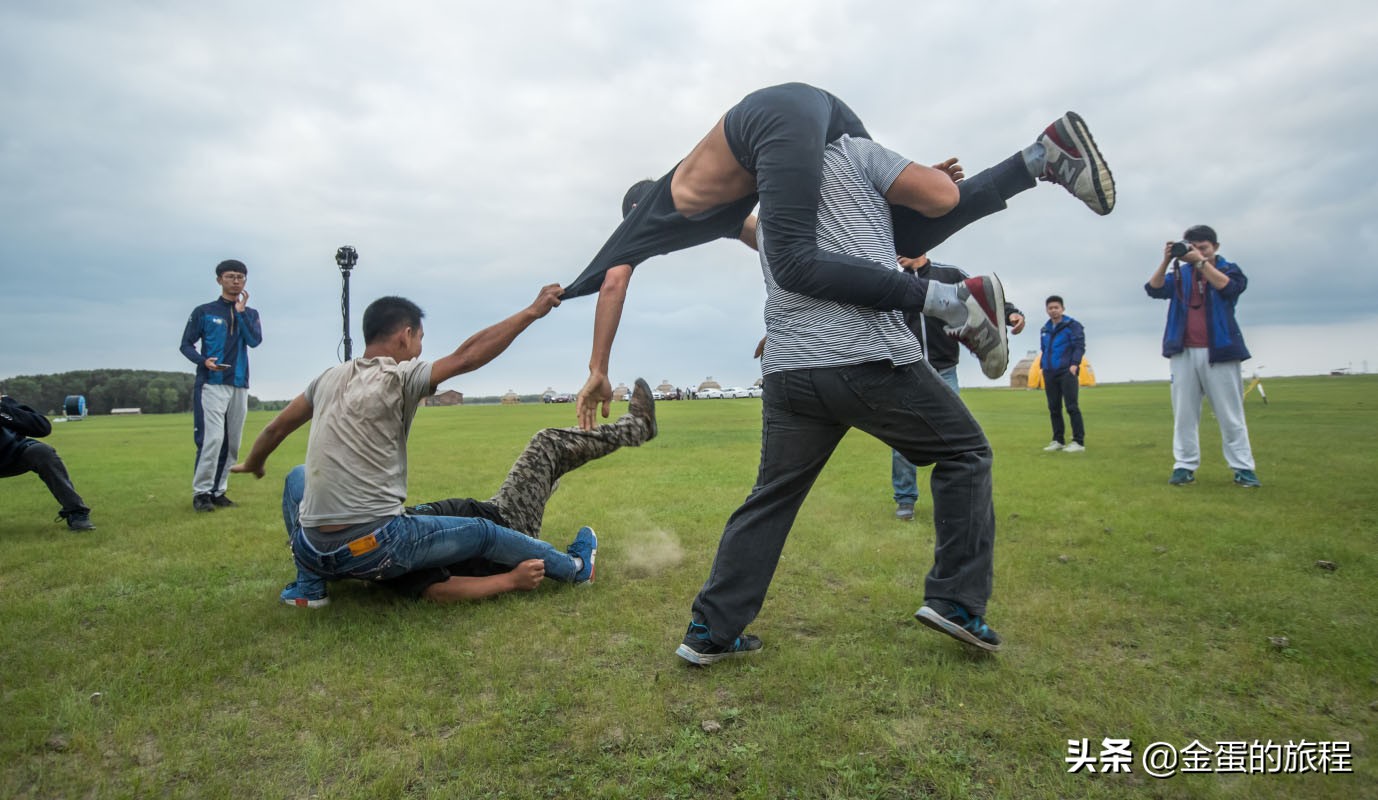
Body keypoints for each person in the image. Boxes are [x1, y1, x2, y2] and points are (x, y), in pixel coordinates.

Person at [564, 82, 1115, 430]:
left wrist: (597, 368)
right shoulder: (718, 208)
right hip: (821, 111)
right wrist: (789, 318)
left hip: (772, 117)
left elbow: (613, 283)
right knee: (903, 232)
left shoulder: (647, 215)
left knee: (798, 264)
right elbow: (765, 237)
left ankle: (952, 302)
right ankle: (1043, 155)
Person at [676, 133, 1019, 667]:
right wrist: (916, 183)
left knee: (772, 495)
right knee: (965, 452)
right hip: (865, 352)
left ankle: (710, 630)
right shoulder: (853, 151)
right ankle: (955, 601)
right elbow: (937, 198)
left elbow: (748, 230)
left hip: (790, 368)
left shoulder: (774, 200)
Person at [230, 290, 606, 608]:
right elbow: (467, 357)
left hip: (310, 547)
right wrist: (531, 312)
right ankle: (575, 569)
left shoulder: (327, 378)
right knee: (482, 531)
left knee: (297, 476)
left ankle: (309, 587)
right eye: (420, 339)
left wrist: (254, 461)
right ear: (405, 336)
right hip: (377, 546)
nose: (420, 349)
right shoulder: (399, 377)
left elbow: (276, 426)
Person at [348, 378, 657, 603]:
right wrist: (509, 580)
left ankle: (617, 437)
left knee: (550, 469)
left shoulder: (376, 531)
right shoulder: (389, 554)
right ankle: (637, 428)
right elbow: (436, 590)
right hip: (506, 524)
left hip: (491, 510)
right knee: (547, 444)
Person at [890, 253, 1026, 521]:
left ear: (920, 246)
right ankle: (905, 500)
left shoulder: (949, 275)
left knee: (952, 436)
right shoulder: (895, 282)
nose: (897, 251)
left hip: (945, 371)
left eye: (903, 245)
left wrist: (1011, 314)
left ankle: (953, 499)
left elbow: (981, 297)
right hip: (908, 372)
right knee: (902, 438)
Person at [1145, 225, 1260, 487]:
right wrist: (1167, 259)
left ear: (1215, 247)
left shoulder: (1228, 269)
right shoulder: (1180, 273)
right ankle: (1184, 465)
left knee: (1230, 414)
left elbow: (1229, 288)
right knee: (1184, 414)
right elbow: (1154, 288)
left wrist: (1201, 263)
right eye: (1192, 247)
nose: (1197, 252)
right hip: (1183, 351)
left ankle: (1243, 467)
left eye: (1203, 247)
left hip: (1220, 350)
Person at [179, 259, 262, 512]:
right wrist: (204, 361)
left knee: (233, 442)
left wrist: (240, 313)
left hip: (239, 383)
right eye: (230, 276)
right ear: (219, 280)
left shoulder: (251, 313)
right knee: (212, 439)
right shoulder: (204, 311)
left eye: (240, 277)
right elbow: (185, 344)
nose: (236, 281)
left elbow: (255, 341)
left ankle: (219, 491)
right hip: (212, 383)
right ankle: (201, 493)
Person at [1, 390, 95, 531]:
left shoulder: (6, 405)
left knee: (42, 452)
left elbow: (42, 428)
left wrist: (2, 409)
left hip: (11, 455)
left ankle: (76, 512)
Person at [1039, 296, 1086, 452]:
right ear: (1047, 310)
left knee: (1072, 406)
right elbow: (1044, 349)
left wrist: (1075, 364)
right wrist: (1042, 366)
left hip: (1067, 371)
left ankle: (1078, 442)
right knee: (1054, 408)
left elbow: (1079, 346)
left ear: (1062, 309)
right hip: (1049, 372)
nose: (1053, 310)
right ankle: (1058, 440)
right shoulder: (1044, 329)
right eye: (1050, 308)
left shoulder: (1072, 326)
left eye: (1056, 307)